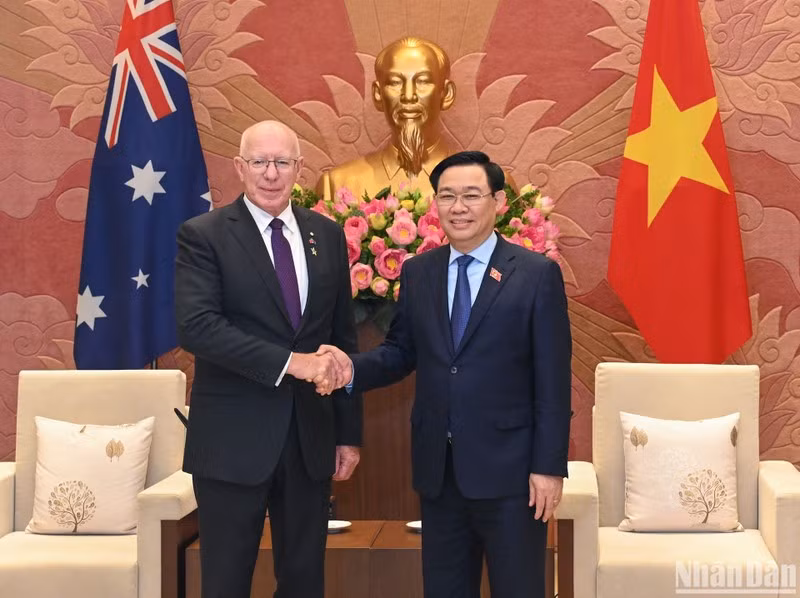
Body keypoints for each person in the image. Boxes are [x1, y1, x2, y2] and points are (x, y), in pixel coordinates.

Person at [319, 150, 572, 597]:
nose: (459, 207)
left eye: (471, 195)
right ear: (435, 204)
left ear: (497, 201)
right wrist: (347, 369)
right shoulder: (419, 272)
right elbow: (400, 352)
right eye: (447, 196)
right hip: (441, 472)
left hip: (514, 476)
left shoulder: (535, 275)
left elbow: (553, 380)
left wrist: (549, 468)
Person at [175, 120, 363, 598]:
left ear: (299, 168)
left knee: (303, 581)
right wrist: (292, 362)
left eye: (282, 162)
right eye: (260, 162)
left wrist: (348, 433)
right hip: (231, 440)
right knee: (225, 581)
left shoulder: (328, 235)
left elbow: (343, 339)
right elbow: (199, 328)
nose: (271, 174)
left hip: (309, 438)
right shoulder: (204, 235)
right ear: (240, 167)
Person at [317, 37, 456, 202]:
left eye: (423, 81)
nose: (408, 96)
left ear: (446, 94)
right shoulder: (337, 185)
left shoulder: (483, 184)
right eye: (395, 83)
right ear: (378, 94)